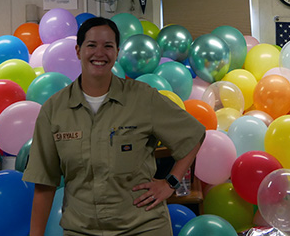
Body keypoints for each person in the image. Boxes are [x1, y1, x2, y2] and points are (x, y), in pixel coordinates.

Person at [23, 17, 205, 236]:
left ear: (117, 52)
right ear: (78, 51)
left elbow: (193, 134)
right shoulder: (54, 110)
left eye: (108, 46)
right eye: (91, 45)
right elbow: (44, 183)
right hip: (82, 229)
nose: (100, 53)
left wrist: (170, 183)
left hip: (142, 227)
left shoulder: (142, 98)